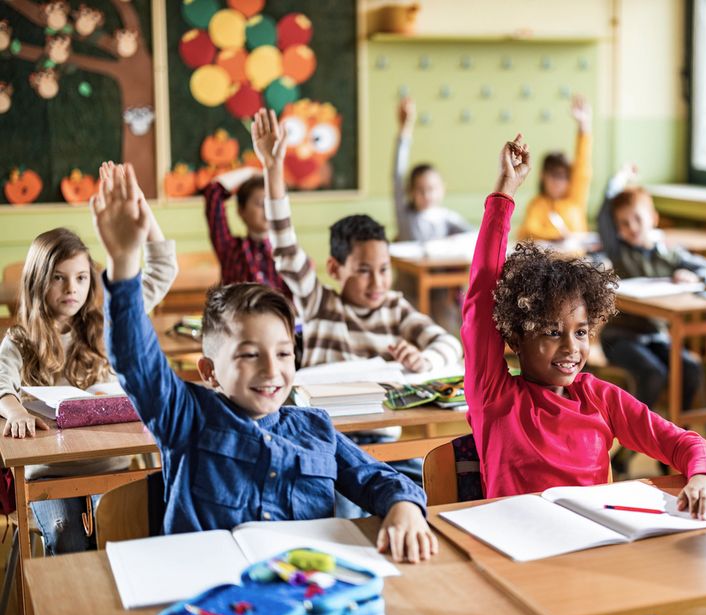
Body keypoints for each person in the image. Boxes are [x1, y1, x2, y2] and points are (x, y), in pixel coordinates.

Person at [93, 162, 437, 563]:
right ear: (209, 372)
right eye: (249, 355)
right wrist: (124, 263)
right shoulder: (187, 417)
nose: (271, 370)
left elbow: (377, 477)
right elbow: (136, 361)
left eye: (283, 353)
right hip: (210, 586)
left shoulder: (315, 429)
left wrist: (404, 506)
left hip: (305, 586)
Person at [467, 132, 706, 615]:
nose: (571, 348)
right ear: (514, 338)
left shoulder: (599, 397)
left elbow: (685, 442)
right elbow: (479, 298)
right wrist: (503, 195)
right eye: (551, 332)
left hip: (598, 566)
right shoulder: (496, 396)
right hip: (521, 575)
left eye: (581, 332)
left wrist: (702, 474)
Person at [254, 108, 462, 516]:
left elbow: (448, 344)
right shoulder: (319, 302)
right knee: (342, 515)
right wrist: (273, 170)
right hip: (327, 444)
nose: (377, 281)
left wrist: (423, 361)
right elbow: (284, 247)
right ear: (335, 269)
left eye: (384, 269)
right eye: (363, 270)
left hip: (384, 444)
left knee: (421, 499)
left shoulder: (394, 308)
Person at [0, 162, 177, 555]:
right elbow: (1, 386)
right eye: (58, 277)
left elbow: (163, 269)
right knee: (67, 535)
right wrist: (15, 411)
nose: (72, 288)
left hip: (109, 464)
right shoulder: (20, 339)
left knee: (120, 527)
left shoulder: (108, 320)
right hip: (49, 472)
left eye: (81, 278)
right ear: (37, 281)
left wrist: (139, 207)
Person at [596, 164, 706, 474]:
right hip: (621, 338)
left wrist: (694, 277)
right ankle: (630, 450)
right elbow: (603, 217)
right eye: (623, 223)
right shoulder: (619, 251)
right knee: (654, 374)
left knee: (691, 369)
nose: (631, 228)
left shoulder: (669, 253)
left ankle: (673, 445)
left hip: (656, 336)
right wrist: (617, 181)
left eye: (637, 219)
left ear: (653, 218)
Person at [393, 96, 471, 242]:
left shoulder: (447, 217)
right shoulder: (405, 215)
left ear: (443, 189)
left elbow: (474, 236)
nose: (427, 195)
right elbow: (398, 176)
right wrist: (405, 128)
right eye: (420, 190)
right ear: (410, 191)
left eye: (432, 189)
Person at [203, 167, 290, 298]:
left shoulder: (287, 253)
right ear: (241, 211)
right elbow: (213, 192)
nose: (268, 209)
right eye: (260, 203)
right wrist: (249, 171)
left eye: (272, 203)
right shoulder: (230, 249)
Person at [516, 96, 592, 241]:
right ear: (542, 175)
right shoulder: (536, 205)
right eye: (553, 175)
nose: (558, 182)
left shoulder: (575, 200)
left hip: (576, 254)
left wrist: (584, 125)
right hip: (546, 255)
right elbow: (527, 231)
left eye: (563, 177)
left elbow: (583, 164)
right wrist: (556, 236)